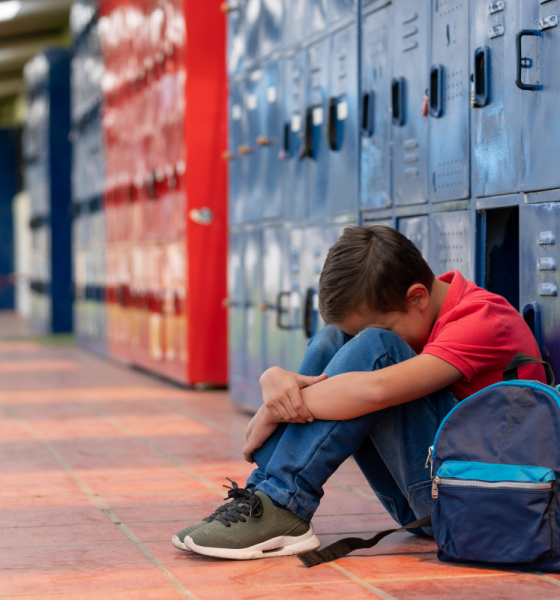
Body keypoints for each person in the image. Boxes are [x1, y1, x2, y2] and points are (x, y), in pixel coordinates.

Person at [172, 225, 546, 560]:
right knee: (334, 338)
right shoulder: (423, 312)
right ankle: (266, 498)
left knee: (376, 347)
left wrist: (275, 408)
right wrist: (274, 379)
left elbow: (377, 390)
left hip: (478, 505)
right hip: (422, 501)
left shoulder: (483, 319)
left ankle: (283, 503)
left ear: (417, 297)